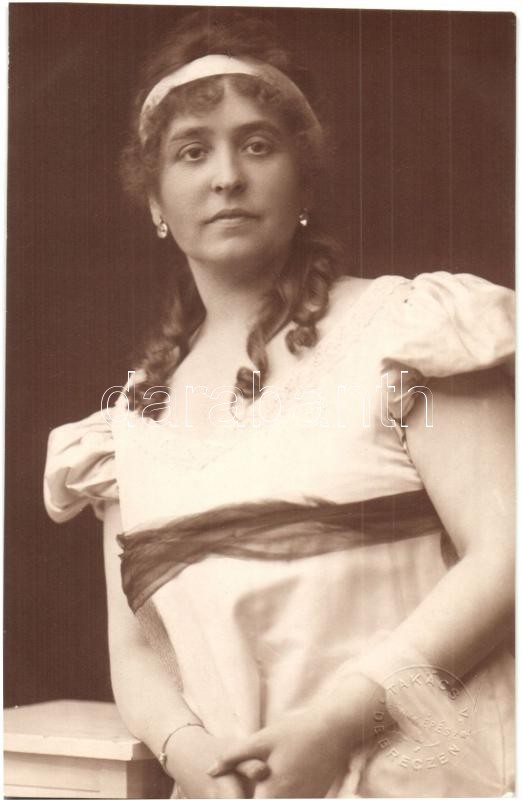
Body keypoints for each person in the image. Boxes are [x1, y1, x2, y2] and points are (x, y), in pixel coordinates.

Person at [44, 11, 515, 798]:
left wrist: (335, 727)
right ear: (155, 201)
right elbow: (139, 651)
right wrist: (195, 760)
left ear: (304, 182)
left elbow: (507, 558)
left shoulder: (409, 333)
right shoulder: (132, 419)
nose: (227, 176)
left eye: (257, 145)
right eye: (192, 151)